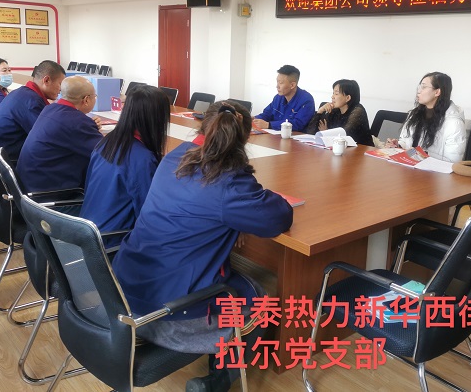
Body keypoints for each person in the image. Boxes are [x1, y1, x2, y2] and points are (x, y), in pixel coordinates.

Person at [111, 101, 293, 392]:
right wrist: (237, 215)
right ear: (245, 139)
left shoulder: (174, 157)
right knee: (261, 300)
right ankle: (218, 381)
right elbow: (280, 217)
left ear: (202, 126)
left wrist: (233, 220)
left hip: (122, 294)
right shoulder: (230, 181)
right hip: (168, 314)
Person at [80, 85, 170, 247]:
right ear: (157, 118)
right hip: (112, 242)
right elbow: (148, 215)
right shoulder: (142, 159)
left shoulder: (107, 142)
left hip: (87, 232)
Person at [17, 76, 103, 192]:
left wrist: (89, 126)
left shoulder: (50, 108)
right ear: (86, 100)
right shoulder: (77, 122)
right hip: (49, 191)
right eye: (94, 96)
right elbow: (107, 152)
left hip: (30, 181)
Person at [0, 60, 66, 161]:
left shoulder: (23, 93)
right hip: (7, 160)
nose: (61, 89)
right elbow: (48, 137)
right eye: (60, 84)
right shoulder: (32, 102)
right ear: (46, 80)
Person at [386, 72, 467, 163]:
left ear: (437, 92)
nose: (419, 91)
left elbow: (453, 161)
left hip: (432, 171)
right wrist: (398, 146)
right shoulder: (414, 113)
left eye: (424, 87)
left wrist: (420, 154)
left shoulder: (454, 123)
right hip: (409, 166)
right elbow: (405, 142)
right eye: (420, 86)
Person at [306, 79, 372, 145]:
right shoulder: (335, 110)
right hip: (340, 148)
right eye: (333, 93)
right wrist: (320, 111)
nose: (332, 97)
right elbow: (311, 133)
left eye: (336, 94)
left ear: (348, 98)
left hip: (362, 148)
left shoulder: (358, 111)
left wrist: (327, 133)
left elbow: (344, 135)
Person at [252, 64, 314, 132]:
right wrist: (254, 120)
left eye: (281, 83)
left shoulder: (306, 100)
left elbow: (298, 124)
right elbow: (267, 114)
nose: (277, 86)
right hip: (276, 135)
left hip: (294, 136)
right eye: (277, 82)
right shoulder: (278, 97)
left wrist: (269, 125)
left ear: (292, 85)